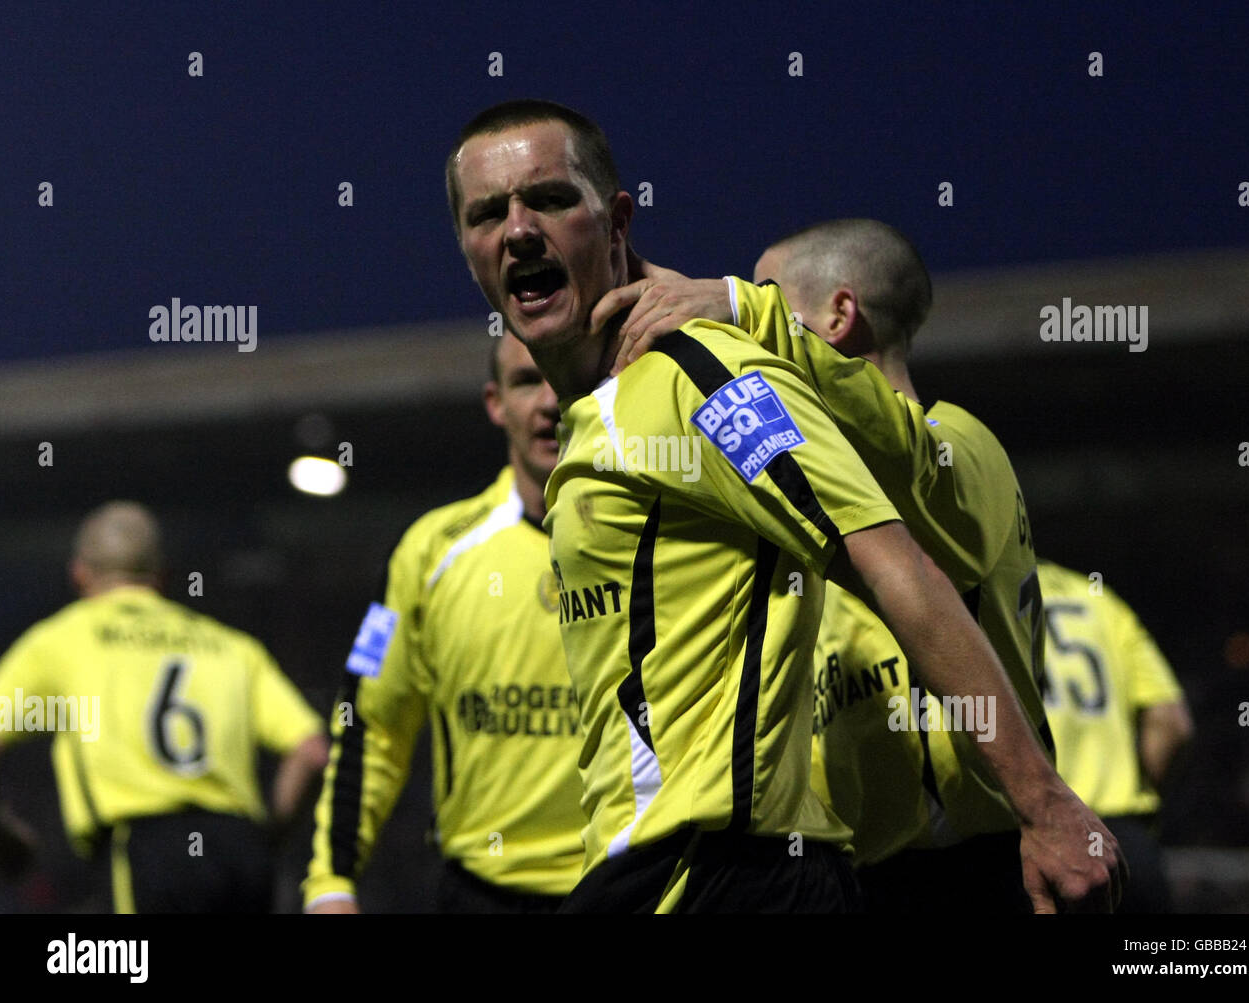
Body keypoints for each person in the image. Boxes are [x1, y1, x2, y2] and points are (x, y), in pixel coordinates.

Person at [447, 98, 1121, 912]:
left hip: (752, 871)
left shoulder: (701, 379)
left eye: (549, 198)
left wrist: (1045, 804)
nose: (518, 229)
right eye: (488, 213)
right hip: (691, 869)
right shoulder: (605, 415)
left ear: (617, 220)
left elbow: (892, 558)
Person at [601, 219, 1060, 912]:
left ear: (839, 316)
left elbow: (900, 451)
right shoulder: (804, 495)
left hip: (979, 868)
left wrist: (741, 308)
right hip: (854, 874)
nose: (738, 326)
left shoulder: (960, 446)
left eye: (767, 298)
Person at [303, 332, 586, 913]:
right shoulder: (430, 551)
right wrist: (330, 880)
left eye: (565, 376)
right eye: (527, 381)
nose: (550, 401)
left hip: (639, 888)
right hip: (483, 895)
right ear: (495, 402)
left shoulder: (663, 538)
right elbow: (371, 725)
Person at [0, 501, 327, 913]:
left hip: (147, 848)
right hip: (241, 850)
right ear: (164, 576)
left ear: (79, 573)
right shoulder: (233, 647)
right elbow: (312, 751)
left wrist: (4, 834)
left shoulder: (62, 641)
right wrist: (270, 835)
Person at [1038, 557, 1193, 912]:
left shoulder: (978, 587)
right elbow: (1172, 722)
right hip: (1123, 844)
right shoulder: (1101, 600)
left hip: (1040, 837)